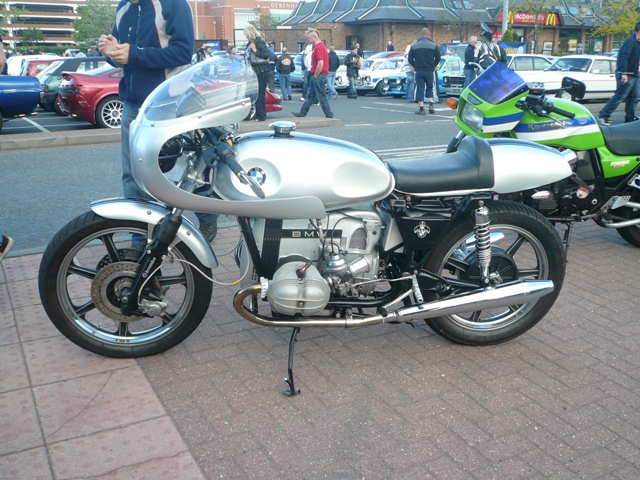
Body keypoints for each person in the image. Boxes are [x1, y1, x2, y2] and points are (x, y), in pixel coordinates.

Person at [97, 0, 219, 242]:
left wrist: (134, 53)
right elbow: (124, 55)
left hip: (169, 101)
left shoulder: (173, 4)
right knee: (133, 173)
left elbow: (183, 52)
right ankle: (139, 239)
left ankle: (207, 213)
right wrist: (111, 52)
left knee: (184, 167)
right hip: (133, 104)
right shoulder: (123, 7)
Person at [598, 22, 640, 125]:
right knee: (620, 96)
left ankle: (630, 118)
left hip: (636, 73)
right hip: (627, 73)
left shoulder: (638, 42)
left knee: (634, 97)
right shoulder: (631, 42)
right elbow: (623, 57)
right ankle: (604, 115)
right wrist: (624, 73)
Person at [291, 28, 334, 119]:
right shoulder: (320, 47)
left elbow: (320, 63)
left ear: (314, 37)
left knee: (321, 97)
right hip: (318, 74)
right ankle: (302, 113)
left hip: (319, 75)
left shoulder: (319, 47)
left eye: (309, 38)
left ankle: (329, 114)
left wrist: (315, 75)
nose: (309, 40)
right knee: (310, 95)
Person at [408, 27, 440, 115]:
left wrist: (415, 65)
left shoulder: (414, 46)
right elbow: (438, 57)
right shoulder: (433, 45)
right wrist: (433, 65)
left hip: (419, 71)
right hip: (429, 70)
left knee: (420, 88)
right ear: (428, 34)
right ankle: (431, 104)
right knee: (430, 87)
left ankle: (421, 108)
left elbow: (410, 59)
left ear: (420, 34)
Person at [244, 25, 270, 122]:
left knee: (259, 94)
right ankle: (249, 114)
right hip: (252, 72)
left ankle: (261, 115)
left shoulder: (258, 42)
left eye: (247, 36)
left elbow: (266, 55)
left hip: (260, 71)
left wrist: (255, 50)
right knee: (250, 94)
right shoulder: (250, 43)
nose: (246, 38)